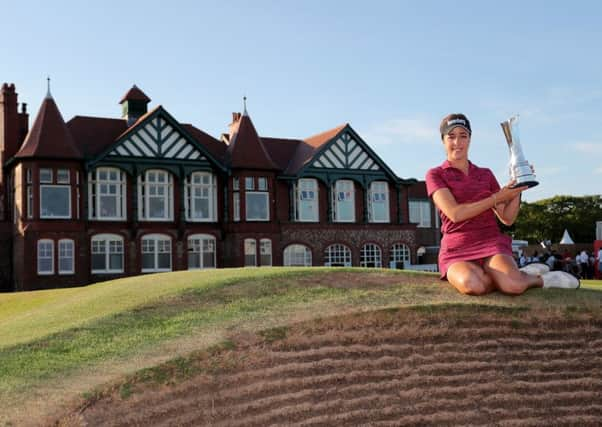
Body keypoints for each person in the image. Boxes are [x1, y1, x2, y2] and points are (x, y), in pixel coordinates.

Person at [425, 113, 579, 295]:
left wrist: (518, 187)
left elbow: (507, 218)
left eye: (463, 136)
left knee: (513, 286)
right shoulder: (435, 174)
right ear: (443, 140)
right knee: (472, 285)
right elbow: (455, 214)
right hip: (456, 248)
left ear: (470, 140)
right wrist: (497, 197)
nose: (457, 142)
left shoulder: (485, 174)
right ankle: (518, 274)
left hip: (489, 242)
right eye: (451, 136)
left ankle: (542, 279)